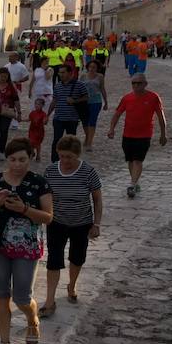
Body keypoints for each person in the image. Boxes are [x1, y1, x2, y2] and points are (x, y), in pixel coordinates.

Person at [0, 138, 54, 344]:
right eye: (12, 159)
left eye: (22, 159)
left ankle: (32, 319)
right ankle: (4, 343)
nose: (17, 164)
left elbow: (48, 217)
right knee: (1, 294)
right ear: (7, 159)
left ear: (30, 158)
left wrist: (24, 209)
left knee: (22, 296)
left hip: (27, 246)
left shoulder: (39, 182)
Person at [40, 136, 103, 317]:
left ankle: (72, 285)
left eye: (70, 157)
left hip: (81, 223)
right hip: (57, 222)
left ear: (77, 155)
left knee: (77, 257)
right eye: (62, 156)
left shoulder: (88, 172)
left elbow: (97, 200)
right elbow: (44, 197)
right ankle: (50, 301)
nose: (65, 161)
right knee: (54, 259)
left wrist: (96, 224)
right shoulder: (50, 171)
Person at [107, 74, 167, 198]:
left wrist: (163, 134)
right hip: (128, 133)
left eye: (139, 83)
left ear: (145, 84)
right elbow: (117, 114)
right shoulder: (127, 98)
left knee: (137, 160)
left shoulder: (153, 97)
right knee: (130, 160)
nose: (136, 85)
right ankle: (135, 181)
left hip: (144, 134)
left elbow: (161, 117)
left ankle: (132, 184)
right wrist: (111, 129)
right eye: (133, 83)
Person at [47, 65, 88, 163]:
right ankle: (55, 161)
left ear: (70, 73)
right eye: (60, 72)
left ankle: (71, 159)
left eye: (63, 72)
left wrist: (75, 100)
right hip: (58, 118)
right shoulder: (57, 86)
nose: (60, 74)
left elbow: (86, 97)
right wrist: (47, 114)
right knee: (56, 140)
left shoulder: (79, 85)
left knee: (71, 142)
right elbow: (54, 100)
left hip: (72, 119)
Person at [0, 68, 22, 160]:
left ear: (8, 77)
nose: (3, 78)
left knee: (4, 130)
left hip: (7, 112)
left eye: (5, 76)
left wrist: (19, 112)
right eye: (2, 76)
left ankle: (2, 150)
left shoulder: (11, 86)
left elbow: (16, 99)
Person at [79, 60, 108, 152]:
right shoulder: (83, 76)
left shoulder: (100, 77)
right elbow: (79, 88)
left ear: (97, 68)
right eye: (90, 67)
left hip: (96, 102)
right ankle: (87, 136)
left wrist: (106, 102)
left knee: (92, 121)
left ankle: (90, 142)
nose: (91, 69)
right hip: (84, 102)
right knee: (85, 122)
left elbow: (102, 89)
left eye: (94, 67)